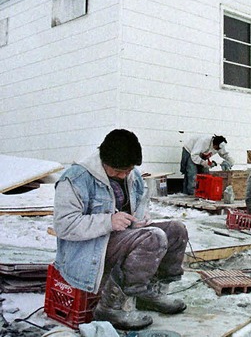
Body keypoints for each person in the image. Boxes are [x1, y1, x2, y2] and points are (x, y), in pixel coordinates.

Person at [53, 129, 189, 331]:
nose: (124, 175)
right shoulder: (76, 179)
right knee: (154, 238)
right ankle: (111, 307)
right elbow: (64, 225)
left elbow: (141, 204)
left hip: (120, 239)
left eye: (128, 169)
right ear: (103, 161)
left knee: (176, 230)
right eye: (118, 171)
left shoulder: (132, 175)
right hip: (89, 250)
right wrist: (108, 221)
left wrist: (140, 219)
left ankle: (150, 292)